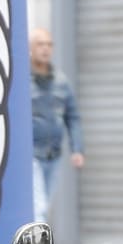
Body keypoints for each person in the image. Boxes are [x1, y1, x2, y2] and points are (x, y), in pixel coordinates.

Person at [29, 27, 85, 225]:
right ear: (30, 48)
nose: (45, 49)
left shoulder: (61, 82)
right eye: (40, 44)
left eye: (49, 44)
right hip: (31, 157)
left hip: (53, 156)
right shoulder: (22, 81)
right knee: (39, 208)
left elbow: (73, 116)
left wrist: (77, 149)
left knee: (44, 207)